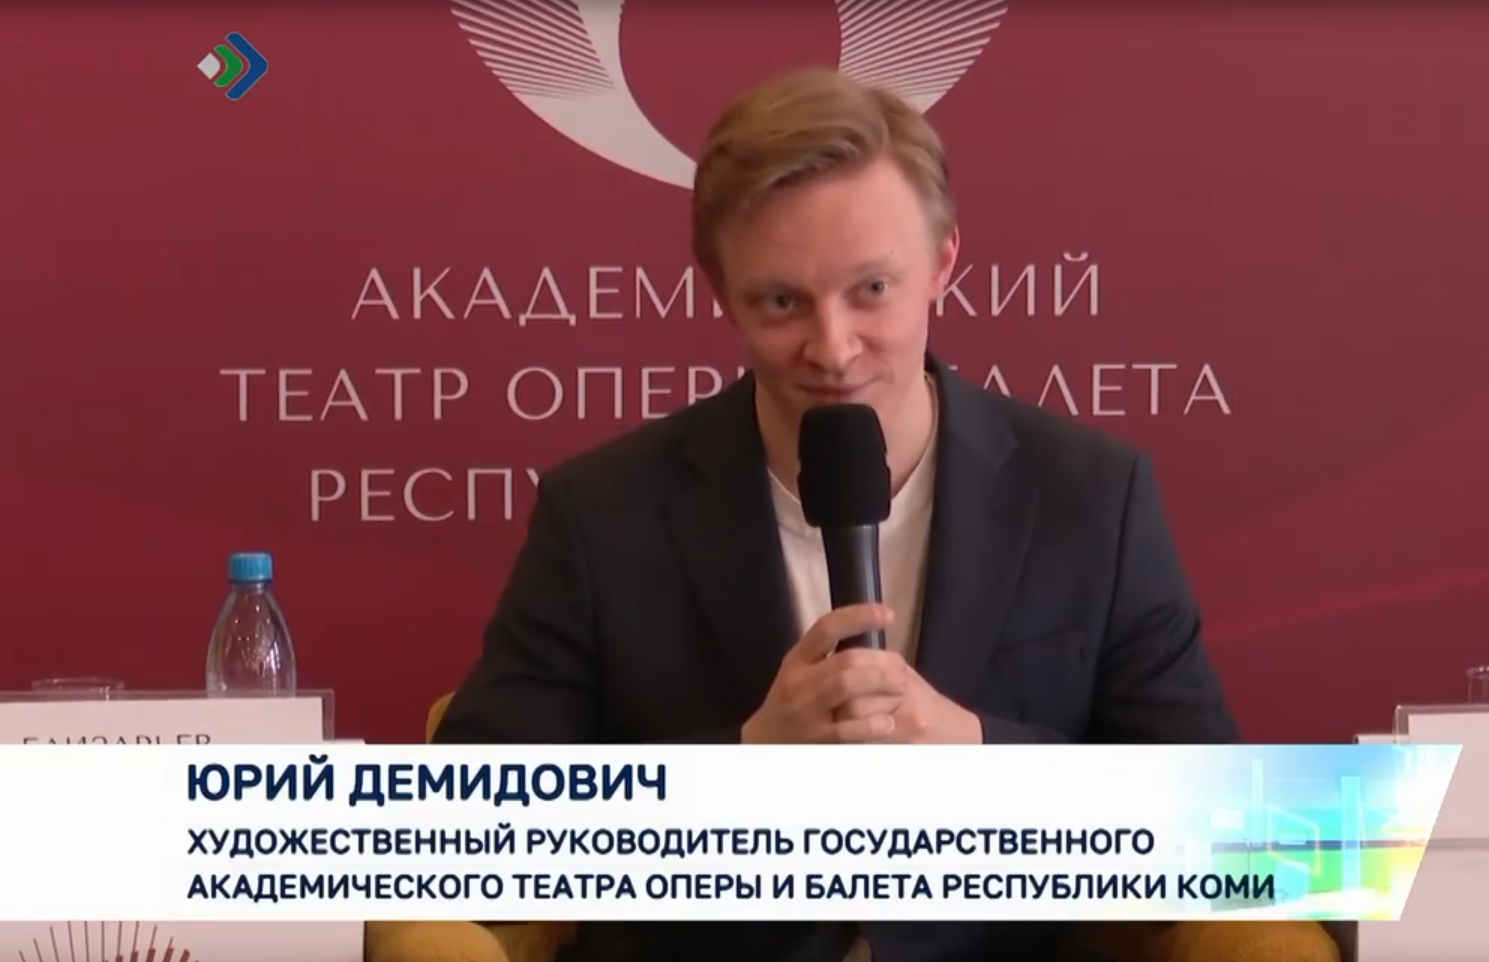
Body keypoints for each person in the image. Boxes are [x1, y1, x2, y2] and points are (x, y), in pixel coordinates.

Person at [436, 66, 1238, 962]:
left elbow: (1231, 826)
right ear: (719, 290)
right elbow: (461, 833)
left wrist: (979, 757)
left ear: (941, 264)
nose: (831, 347)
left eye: (871, 291)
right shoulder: (601, 513)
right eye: (781, 301)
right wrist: (743, 766)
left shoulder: (1091, 496)